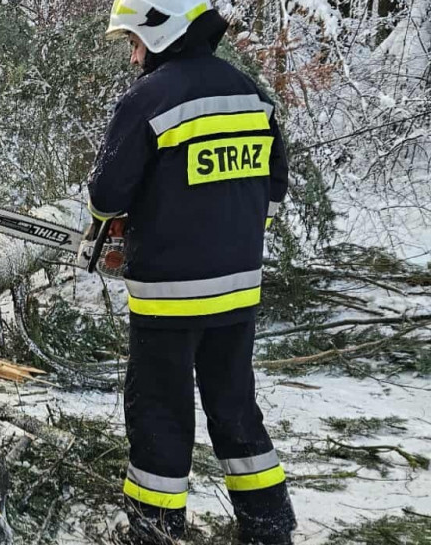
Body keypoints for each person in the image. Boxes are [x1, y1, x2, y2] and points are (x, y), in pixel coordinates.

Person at [89, 1, 296, 543]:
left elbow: (107, 193)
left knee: (159, 410)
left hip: (170, 296)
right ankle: (269, 522)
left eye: (134, 41)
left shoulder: (149, 98)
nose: (133, 56)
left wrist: (125, 224)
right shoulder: (249, 91)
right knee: (234, 404)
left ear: (161, 31)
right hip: (237, 290)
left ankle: (154, 527)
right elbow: (273, 187)